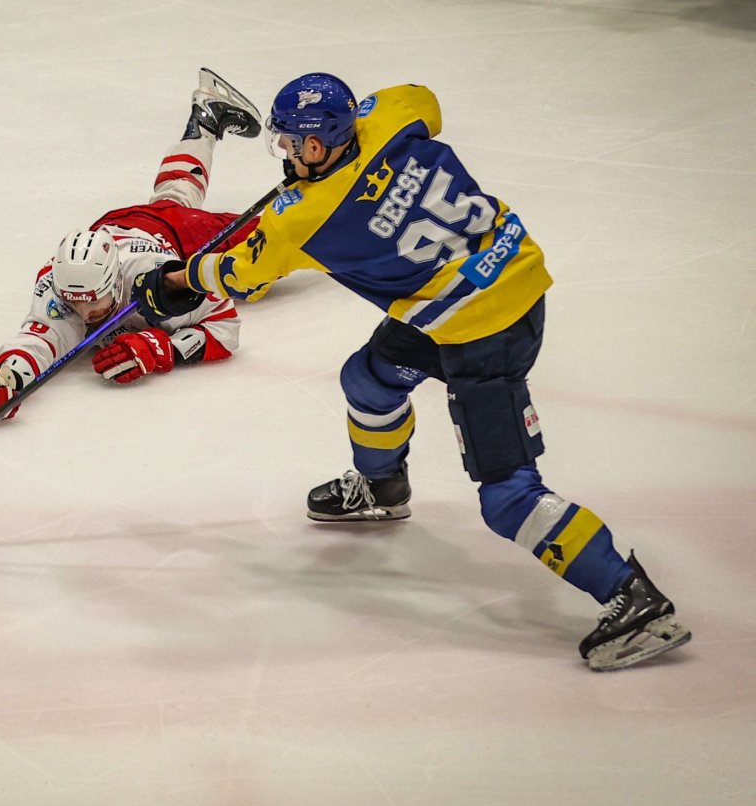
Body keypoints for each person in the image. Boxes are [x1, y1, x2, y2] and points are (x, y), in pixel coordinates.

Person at [132, 72, 692, 672]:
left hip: (486, 333)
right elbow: (425, 99)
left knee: (508, 496)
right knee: (370, 379)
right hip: (492, 281)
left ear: (318, 146)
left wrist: (173, 283)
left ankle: (634, 598)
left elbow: (238, 275)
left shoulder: (302, 219)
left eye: (293, 142)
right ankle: (382, 488)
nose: (287, 153)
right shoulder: (391, 115)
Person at [0, 69, 263, 421]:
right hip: (117, 226)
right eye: (77, 302)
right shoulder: (61, 288)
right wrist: (6, 378)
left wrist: (163, 349)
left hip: (174, 234)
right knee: (173, 196)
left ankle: (323, 200)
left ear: (117, 281)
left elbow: (225, 324)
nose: (87, 313)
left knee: (266, 251)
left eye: (95, 299)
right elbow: (39, 340)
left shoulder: (151, 276)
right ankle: (206, 117)